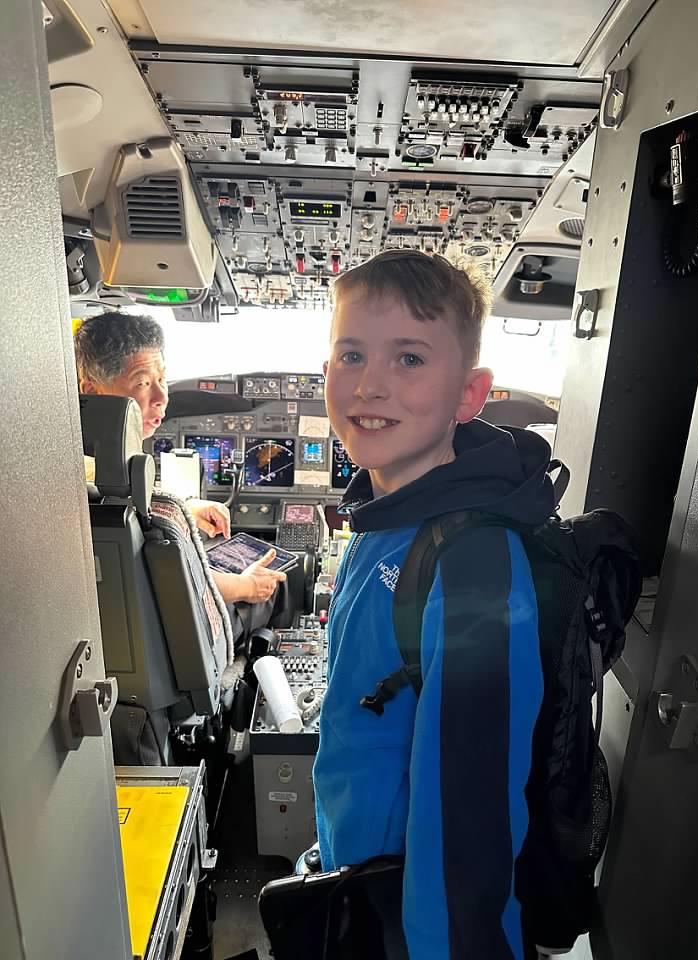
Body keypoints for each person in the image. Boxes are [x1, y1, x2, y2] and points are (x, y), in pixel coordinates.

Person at [313, 250, 556, 959]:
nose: (370, 385)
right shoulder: (383, 520)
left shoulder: (472, 564)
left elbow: (468, 828)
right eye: (351, 355)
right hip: (359, 881)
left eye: (410, 359)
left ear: (469, 395)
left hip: (414, 923)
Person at [74, 311, 285, 610]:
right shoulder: (111, 483)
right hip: (177, 621)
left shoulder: (79, 468)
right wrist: (247, 586)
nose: (162, 396)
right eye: (143, 383)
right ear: (93, 392)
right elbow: (182, 583)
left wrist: (184, 508)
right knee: (276, 590)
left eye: (162, 379)